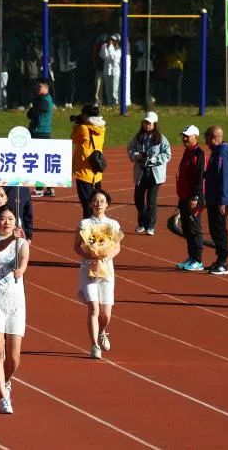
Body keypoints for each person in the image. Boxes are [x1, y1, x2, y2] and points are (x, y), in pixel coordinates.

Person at [0, 205, 29, 414]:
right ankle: (3, 397)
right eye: (3, 219)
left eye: (11, 219)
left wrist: (20, 269)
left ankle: (6, 380)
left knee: (14, 357)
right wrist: (11, 239)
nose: (7, 222)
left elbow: (24, 260)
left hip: (16, 301)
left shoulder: (22, 243)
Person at [73, 189, 121, 360]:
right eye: (95, 200)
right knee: (93, 307)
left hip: (106, 270)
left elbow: (117, 246)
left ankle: (102, 331)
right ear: (90, 204)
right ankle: (94, 345)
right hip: (88, 269)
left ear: (107, 204)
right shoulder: (84, 224)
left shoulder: (113, 225)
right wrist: (90, 255)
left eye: (102, 201)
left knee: (105, 314)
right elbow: (77, 246)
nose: (98, 203)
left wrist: (106, 256)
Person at [127, 112, 171, 235]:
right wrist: (136, 155)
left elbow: (167, 154)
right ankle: (142, 223)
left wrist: (155, 159)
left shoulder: (161, 139)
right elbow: (130, 149)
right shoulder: (138, 137)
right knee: (138, 200)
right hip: (141, 173)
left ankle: (150, 226)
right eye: (145, 122)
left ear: (155, 124)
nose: (147, 125)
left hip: (155, 175)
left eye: (149, 123)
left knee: (151, 201)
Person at [203, 125, 228, 275]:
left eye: (206, 137)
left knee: (219, 229)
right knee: (214, 229)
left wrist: (223, 200)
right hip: (213, 197)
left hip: (219, 199)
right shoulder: (217, 152)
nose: (205, 141)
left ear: (212, 137)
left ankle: (223, 263)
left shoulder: (222, 152)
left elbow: (225, 176)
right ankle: (220, 260)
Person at [175, 125, 206, 271]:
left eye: (187, 136)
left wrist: (195, 196)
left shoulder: (198, 154)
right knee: (187, 229)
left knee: (194, 229)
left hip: (193, 198)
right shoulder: (187, 152)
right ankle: (191, 256)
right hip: (184, 196)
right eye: (184, 135)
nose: (184, 138)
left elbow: (199, 177)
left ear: (196, 137)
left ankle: (198, 260)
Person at [70, 104, 106, 218]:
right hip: (96, 171)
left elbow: (73, 138)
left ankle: (88, 226)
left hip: (84, 172)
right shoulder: (101, 128)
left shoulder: (83, 128)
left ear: (85, 116)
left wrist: (78, 124)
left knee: (87, 203)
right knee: (96, 203)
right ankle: (97, 223)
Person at [26, 78, 55, 197]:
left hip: (40, 133)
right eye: (36, 86)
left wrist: (32, 109)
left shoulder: (44, 101)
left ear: (47, 88)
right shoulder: (43, 100)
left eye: (40, 86)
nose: (37, 88)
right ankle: (49, 188)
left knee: (39, 162)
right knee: (44, 162)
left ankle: (39, 188)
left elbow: (32, 113)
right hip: (42, 132)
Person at [100, 34, 121, 106]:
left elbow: (113, 58)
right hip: (107, 70)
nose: (111, 41)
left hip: (115, 71)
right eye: (111, 39)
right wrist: (105, 47)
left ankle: (115, 102)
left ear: (117, 41)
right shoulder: (105, 47)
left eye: (113, 40)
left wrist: (111, 47)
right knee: (108, 88)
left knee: (115, 88)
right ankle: (109, 102)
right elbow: (103, 56)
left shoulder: (119, 50)